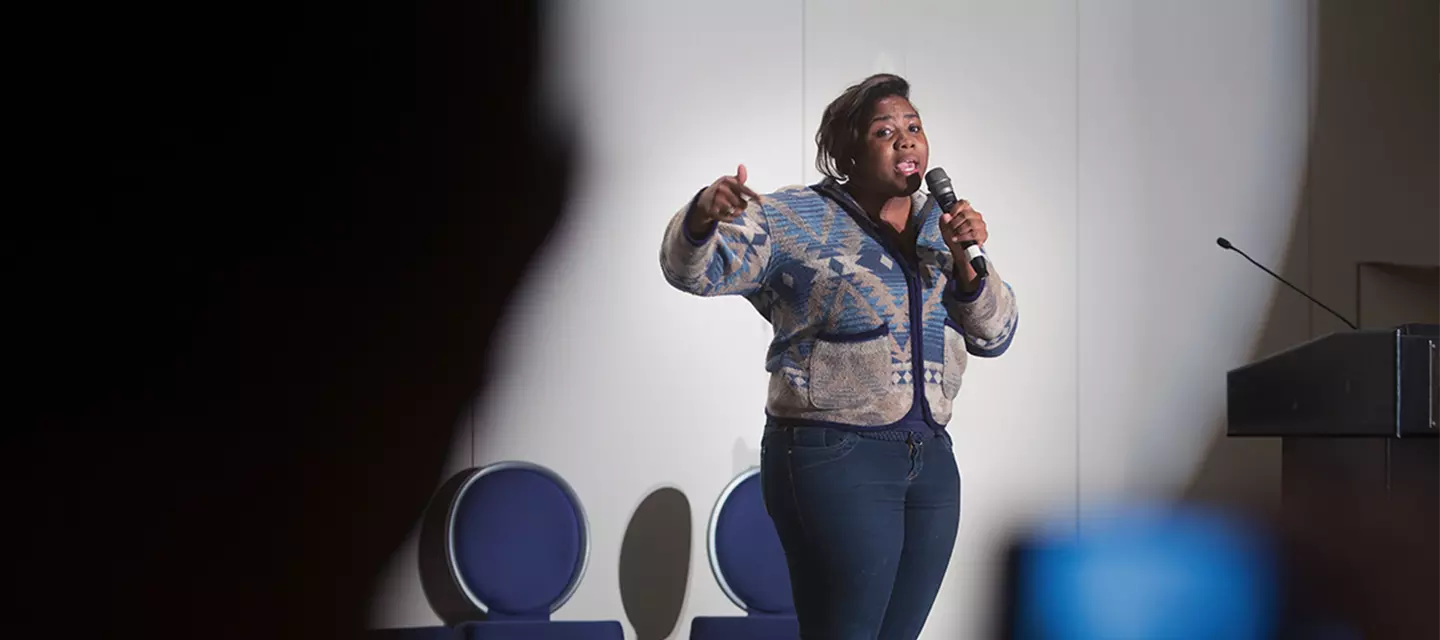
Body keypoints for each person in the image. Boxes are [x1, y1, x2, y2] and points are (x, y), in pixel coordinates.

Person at [659, 73, 1019, 639]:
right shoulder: (792, 219)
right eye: (885, 131)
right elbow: (692, 271)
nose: (906, 141)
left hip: (930, 462)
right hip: (833, 455)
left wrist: (966, 261)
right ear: (849, 151)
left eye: (914, 127)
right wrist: (702, 218)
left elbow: (996, 333)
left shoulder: (942, 229)